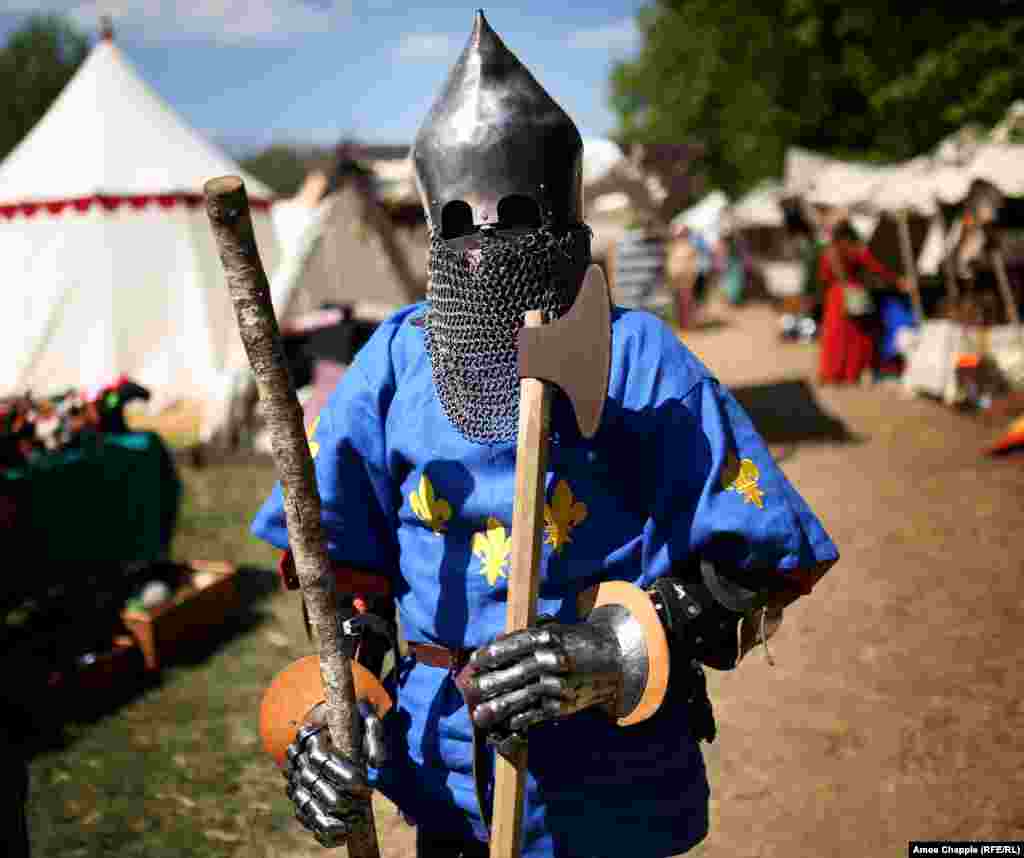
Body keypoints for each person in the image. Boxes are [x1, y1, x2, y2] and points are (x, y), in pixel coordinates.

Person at [252, 12, 839, 858]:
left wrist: (608, 651)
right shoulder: (393, 366)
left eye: (516, 211)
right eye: (462, 220)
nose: (490, 238)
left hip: (615, 793)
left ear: (562, 214)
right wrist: (321, 720)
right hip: (445, 787)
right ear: (434, 226)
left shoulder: (641, 359)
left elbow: (762, 562)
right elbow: (348, 594)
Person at [817, 220, 907, 384]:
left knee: (833, 336)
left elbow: (823, 278)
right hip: (852, 293)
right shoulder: (854, 249)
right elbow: (875, 267)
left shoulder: (828, 253)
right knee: (855, 336)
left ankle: (831, 374)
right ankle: (850, 374)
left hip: (835, 297)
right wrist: (896, 281)